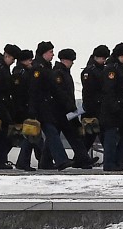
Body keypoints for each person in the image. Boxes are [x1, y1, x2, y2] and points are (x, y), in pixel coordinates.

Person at [29, 41, 73, 170]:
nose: (53, 55)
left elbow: (54, 89)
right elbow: (34, 90)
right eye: (50, 52)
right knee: (51, 132)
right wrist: (32, 109)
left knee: (31, 136)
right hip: (40, 107)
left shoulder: (46, 67)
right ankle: (61, 160)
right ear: (43, 53)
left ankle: (28, 161)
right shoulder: (38, 68)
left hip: (46, 106)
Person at [50, 48, 94, 169]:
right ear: (65, 60)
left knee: (67, 136)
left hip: (66, 110)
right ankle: (83, 159)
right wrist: (70, 106)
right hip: (62, 110)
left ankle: (82, 159)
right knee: (72, 136)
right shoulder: (58, 73)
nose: (73, 63)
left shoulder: (64, 72)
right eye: (71, 60)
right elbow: (60, 93)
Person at [100, 42, 123, 171]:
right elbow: (109, 89)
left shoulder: (120, 67)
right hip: (112, 107)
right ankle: (110, 163)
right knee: (111, 134)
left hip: (120, 105)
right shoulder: (112, 68)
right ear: (121, 55)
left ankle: (118, 160)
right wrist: (114, 105)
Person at [12, 49, 39, 171]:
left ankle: (28, 160)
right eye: (29, 60)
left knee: (33, 136)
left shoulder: (25, 72)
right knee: (29, 135)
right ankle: (23, 162)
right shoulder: (20, 73)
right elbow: (20, 93)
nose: (31, 62)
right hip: (23, 108)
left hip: (26, 107)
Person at [80, 45, 110, 152]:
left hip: (100, 106)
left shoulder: (100, 69)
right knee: (97, 133)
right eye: (103, 58)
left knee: (91, 135)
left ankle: (81, 157)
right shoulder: (91, 71)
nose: (104, 61)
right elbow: (89, 91)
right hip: (94, 107)